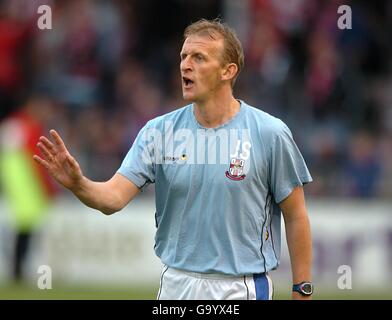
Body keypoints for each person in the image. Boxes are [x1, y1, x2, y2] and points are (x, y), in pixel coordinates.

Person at [33, 19, 313, 300]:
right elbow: (113, 198)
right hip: (176, 286)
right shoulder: (158, 132)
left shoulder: (269, 133)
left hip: (241, 287)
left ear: (228, 71)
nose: (185, 65)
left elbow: (296, 214)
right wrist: (79, 184)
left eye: (199, 58)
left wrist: (302, 288)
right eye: (183, 56)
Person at [0, 94, 58, 282]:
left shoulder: (12, 124)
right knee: (27, 225)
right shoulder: (30, 127)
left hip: (14, 180)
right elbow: (37, 159)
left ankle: (17, 269)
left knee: (23, 225)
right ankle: (18, 269)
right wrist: (48, 187)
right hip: (25, 181)